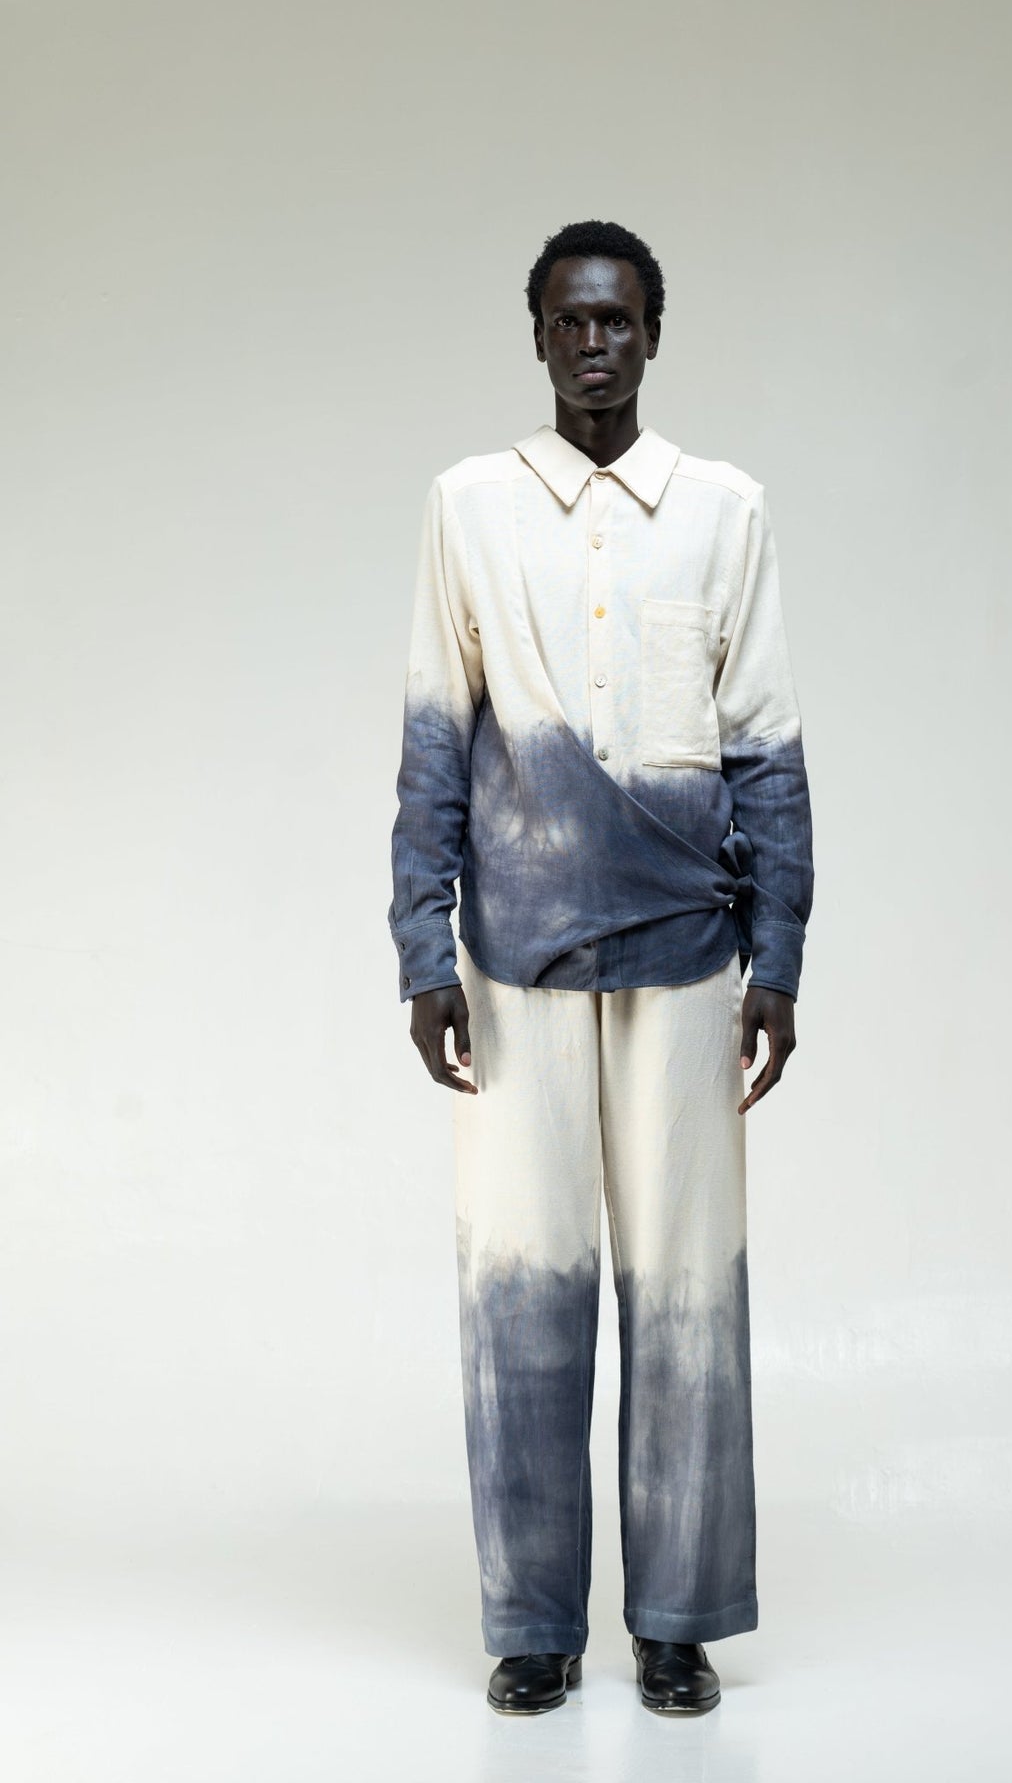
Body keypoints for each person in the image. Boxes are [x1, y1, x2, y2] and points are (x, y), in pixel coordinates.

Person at [388, 219, 814, 1716]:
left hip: (690, 961)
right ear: (537, 335)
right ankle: (532, 1623)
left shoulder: (723, 511)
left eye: (617, 320)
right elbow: (434, 735)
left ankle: (678, 1621)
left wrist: (781, 954)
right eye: (569, 320)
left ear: (652, 335)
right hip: (514, 962)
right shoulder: (468, 507)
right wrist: (420, 946)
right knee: (521, 1294)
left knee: (688, 1294)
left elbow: (765, 741)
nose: (592, 344)